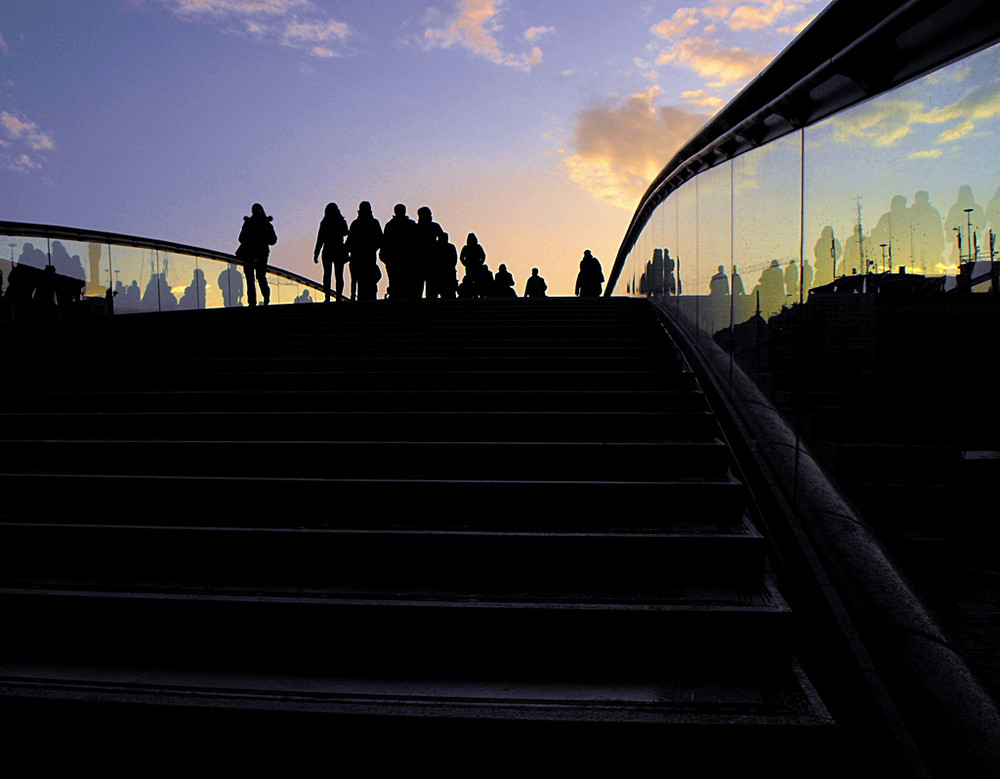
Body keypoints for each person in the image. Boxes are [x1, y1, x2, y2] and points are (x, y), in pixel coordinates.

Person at [237, 203, 277, 307]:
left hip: (249, 253)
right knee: (260, 276)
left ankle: (252, 302)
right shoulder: (266, 224)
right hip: (262, 253)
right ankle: (266, 297)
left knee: (250, 279)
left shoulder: (248, 223)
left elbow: (241, 239)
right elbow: (273, 240)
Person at [345, 201, 382, 301]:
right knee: (370, 282)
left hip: (357, 257)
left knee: (357, 279)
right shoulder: (374, 223)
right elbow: (380, 240)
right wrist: (372, 248)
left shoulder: (355, 224)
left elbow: (349, 242)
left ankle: (354, 296)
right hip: (369, 258)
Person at [313, 202, 349, 303]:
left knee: (327, 275)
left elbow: (320, 239)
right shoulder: (341, 221)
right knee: (339, 275)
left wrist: (316, 253)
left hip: (327, 250)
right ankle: (338, 297)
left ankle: (327, 298)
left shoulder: (324, 223)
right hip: (339, 250)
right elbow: (346, 232)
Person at [380, 204, 416, 299]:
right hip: (399, 259)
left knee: (397, 282)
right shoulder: (410, 224)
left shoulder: (391, 225)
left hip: (400, 259)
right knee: (399, 282)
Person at [415, 206, 446, 299]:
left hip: (429, 259)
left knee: (430, 286)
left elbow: (442, 239)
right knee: (423, 285)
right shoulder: (419, 227)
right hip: (423, 259)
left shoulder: (418, 227)